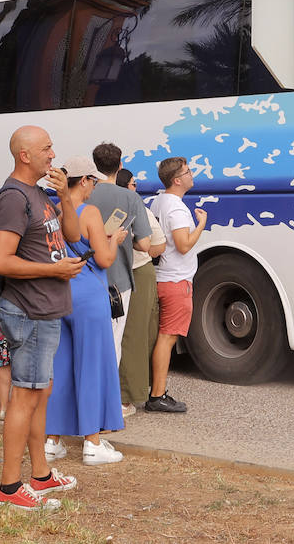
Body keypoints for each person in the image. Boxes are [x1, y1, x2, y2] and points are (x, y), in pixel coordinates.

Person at [0, 126, 83, 512]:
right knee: (24, 396)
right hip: (27, 310)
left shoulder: (41, 194)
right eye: (46, 148)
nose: (53, 153)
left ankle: (40, 475)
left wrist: (64, 196)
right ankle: (9, 490)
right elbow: (1, 261)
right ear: (25, 155)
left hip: (45, 310)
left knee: (39, 392)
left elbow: (73, 236)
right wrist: (53, 272)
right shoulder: (13, 197)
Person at [44, 157, 128, 466]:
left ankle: (52, 439)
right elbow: (104, 260)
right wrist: (114, 240)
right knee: (93, 364)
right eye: (92, 181)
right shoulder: (89, 212)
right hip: (89, 294)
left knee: (61, 366)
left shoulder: (53, 211)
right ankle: (92, 441)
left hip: (60, 291)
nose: (94, 186)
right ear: (83, 182)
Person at [146, 157, 207, 414]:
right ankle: (157, 395)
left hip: (161, 276)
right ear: (177, 180)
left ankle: (153, 391)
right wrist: (202, 223)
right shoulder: (178, 209)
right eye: (188, 171)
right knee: (167, 338)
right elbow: (183, 244)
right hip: (176, 280)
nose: (192, 174)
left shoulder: (158, 201)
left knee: (160, 336)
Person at [86, 144, 154, 367]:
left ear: (95, 165)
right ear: (120, 164)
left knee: (89, 340)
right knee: (113, 340)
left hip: (87, 276)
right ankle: (109, 397)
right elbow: (145, 244)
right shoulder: (130, 198)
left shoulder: (85, 194)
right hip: (119, 280)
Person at [115, 169, 165, 413]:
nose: (137, 188)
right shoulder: (138, 208)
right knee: (135, 335)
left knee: (128, 334)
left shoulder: (103, 206)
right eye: (134, 184)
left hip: (116, 272)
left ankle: (129, 392)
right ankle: (127, 397)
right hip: (137, 271)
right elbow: (155, 244)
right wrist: (136, 246)